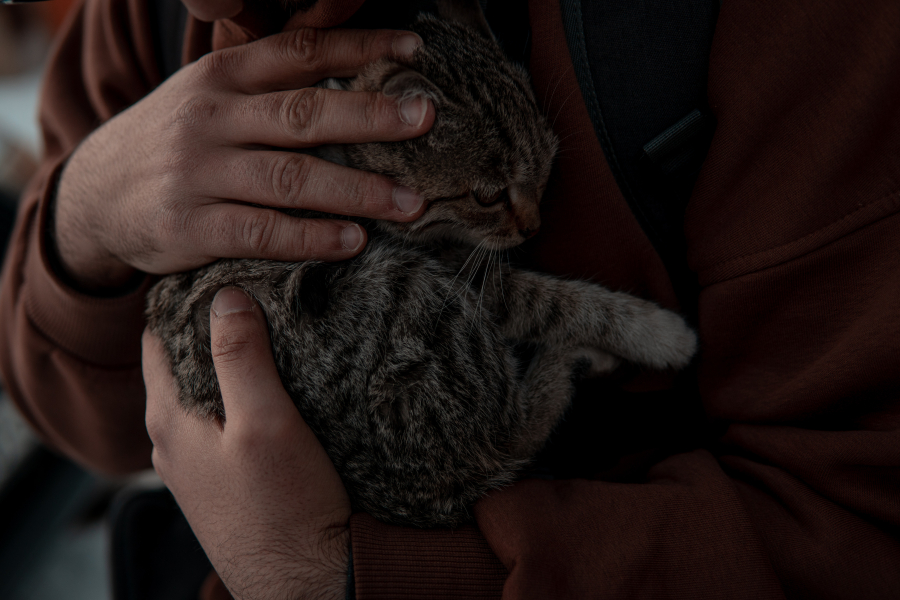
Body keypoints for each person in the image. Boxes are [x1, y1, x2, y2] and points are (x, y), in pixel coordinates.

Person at [2, 0, 899, 598]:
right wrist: (84, 215)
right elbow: (77, 423)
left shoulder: (777, 31)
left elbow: (857, 538)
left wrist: (346, 578)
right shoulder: (147, 14)